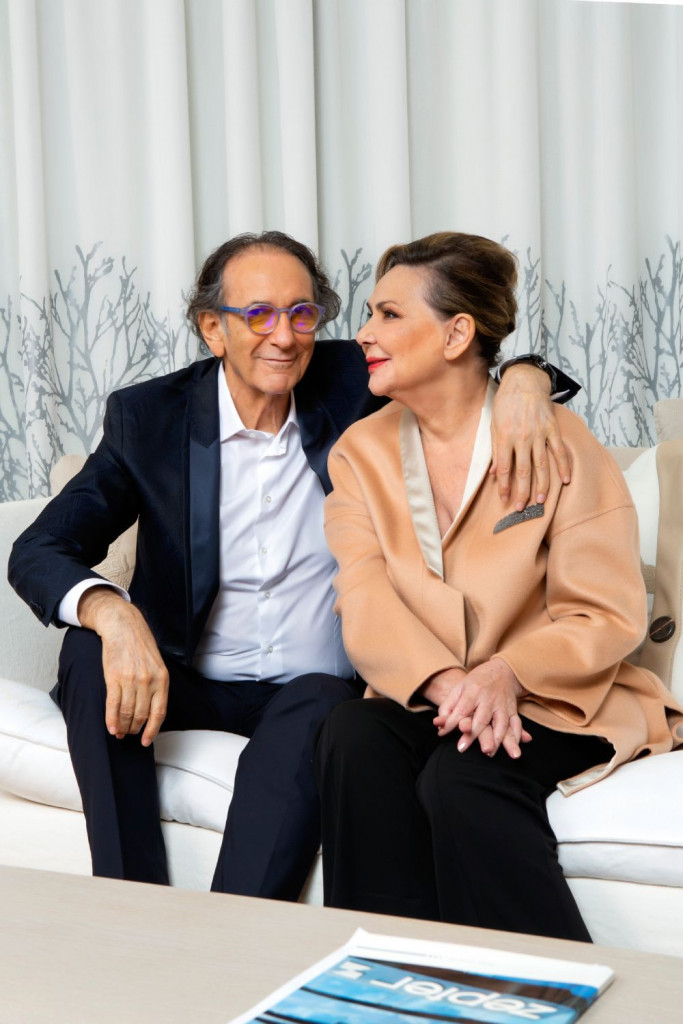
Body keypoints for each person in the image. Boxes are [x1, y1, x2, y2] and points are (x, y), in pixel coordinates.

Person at [8, 230, 575, 901]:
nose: (284, 337)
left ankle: (238, 933)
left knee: (325, 707)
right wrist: (114, 613)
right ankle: (132, 906)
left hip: (311, 690)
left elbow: (451, 354)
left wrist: (527, 378)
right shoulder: (150, 418)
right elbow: (40, 548)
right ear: (212, 329)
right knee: (87, 651)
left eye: (302, 314)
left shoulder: (354, 383)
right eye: (258, 315)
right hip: (181, 679)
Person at [316, 231, 683, 938]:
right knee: (353, 734)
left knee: (461, 777)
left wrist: (505, 674)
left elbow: (605, 612)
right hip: (435, 692)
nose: (364, 332)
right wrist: (452, 685)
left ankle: (550, 984)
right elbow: (363, 598)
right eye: (369, 313)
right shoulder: (359, 453)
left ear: (456, 334)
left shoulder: (557, 439)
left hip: (560, 697)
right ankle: (389, 972)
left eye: (388, 314)